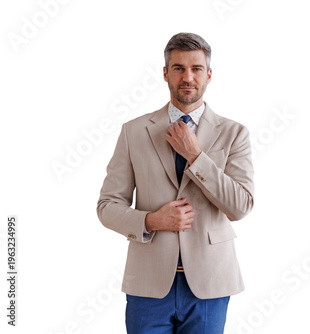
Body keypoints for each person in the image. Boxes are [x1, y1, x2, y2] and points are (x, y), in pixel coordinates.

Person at [97, 32, 254, 334]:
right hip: (149, 285)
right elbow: (107, 206)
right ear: (165, 73)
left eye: (196, 69)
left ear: (208, 75)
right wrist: (152, 220)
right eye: (179, 68)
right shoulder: (134, 132)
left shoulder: (234, 133)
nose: (188, 77)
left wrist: (196, 156)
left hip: (209, 284)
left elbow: (240, 206)